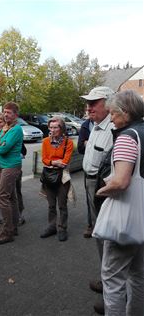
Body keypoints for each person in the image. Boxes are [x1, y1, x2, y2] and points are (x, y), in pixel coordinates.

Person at [95, 89, 144, 315]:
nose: (111, 118)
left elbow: (122, 182)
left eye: (113, 114)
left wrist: (101, 191)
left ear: (125, 113)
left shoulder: (127, 137)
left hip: (124, 220)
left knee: (112, 279)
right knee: (138, 275)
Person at [80, 86, 114, 314]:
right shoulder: (95, 125)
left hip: (102, 188)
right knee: (99, 235)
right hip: (88, 181)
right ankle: (106, 280)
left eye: (95, 102)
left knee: (108, 238)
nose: (89, 107)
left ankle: (113, 293)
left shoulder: (115, 128)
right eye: (88, 103)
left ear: (109, 104)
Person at [0, 102, 23, 245]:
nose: (5, 114)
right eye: (4, 112)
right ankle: (13, 227)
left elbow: (1, 149)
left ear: (15, 114)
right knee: (11, 197)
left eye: (8, 112)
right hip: (3, 165)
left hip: (10, 166)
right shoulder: (6, 127)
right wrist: (0, 145)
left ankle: (7, 231)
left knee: (2, 197)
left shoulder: (16, 129)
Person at [40, 116, 74, 242]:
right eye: (51, 127)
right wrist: (55, 162)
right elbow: (44, 159)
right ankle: (51, 226)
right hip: (48, 176)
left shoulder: (68, 142)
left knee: (62, 205)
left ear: (62, 128)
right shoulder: (45, 142)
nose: (53, 130)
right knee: (51, 205)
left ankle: (62, 228)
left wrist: (52, 162)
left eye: (56, 127)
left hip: (62, 177)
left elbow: (65, 162)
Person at [0, 112, 27, 226]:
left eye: (0, 122)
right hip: (1, 165)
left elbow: (23, 151)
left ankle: (18, 216)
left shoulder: (13, 132)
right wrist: (0, 149)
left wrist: (1, 149)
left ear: (5, 122)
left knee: (15, 192)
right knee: (9, 194)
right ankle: (9, 217)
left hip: (12, 167)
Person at [77, 117, 94, 238]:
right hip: (89, 168)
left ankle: (104, 225)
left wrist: (89, 143)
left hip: (106, 169)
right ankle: (91, 225)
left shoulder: (110, 124)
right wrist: (88, 145)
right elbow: (80, 148)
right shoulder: (85, 125)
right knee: (89, 199)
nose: (89, 108)